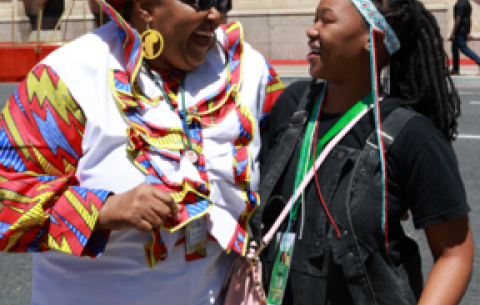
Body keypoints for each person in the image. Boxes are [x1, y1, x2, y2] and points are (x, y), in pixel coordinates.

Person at [0, 0, 284, 304]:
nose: (215, 15)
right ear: (145, 7)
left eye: (221, 1)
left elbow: (291, 167)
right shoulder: (68, 77)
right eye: (201, 2)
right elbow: (7, 198)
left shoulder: (248, 71)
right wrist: (106, 210)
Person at [257, 0, 474, 304]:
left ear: (372, 39)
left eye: (326, 20)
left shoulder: (413, 135)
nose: (312, 30)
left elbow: (454, 252)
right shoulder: (294, 104)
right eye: (314, 18)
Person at [450, 0, 480, 74]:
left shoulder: (460, 4)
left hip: (460, 31)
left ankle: (479, 61)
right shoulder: (467, 3)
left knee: (463, 48)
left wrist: (453, 32)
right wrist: (468, 32)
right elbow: (469, 19)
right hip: (464, 30)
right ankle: (455, 69)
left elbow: (458, 19)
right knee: (454, 47)